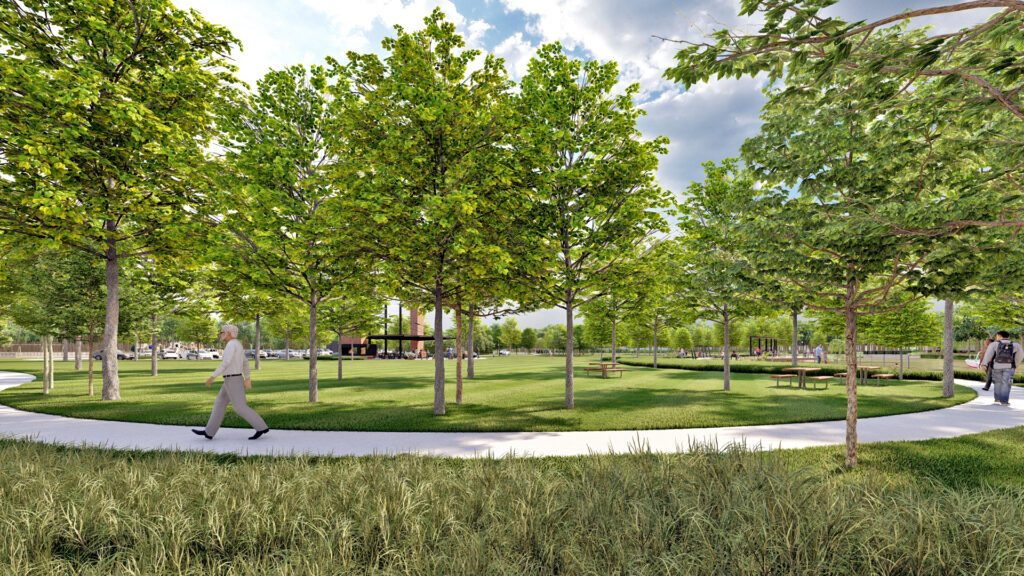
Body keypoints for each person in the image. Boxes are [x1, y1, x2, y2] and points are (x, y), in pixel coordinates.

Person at [192, 324, 270, 440]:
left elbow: (226, 363)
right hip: (230, 380)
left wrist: (212, 377)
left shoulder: (231, 345)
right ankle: (209, 432)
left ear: (228, 333)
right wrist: (247, 378)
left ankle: (261, 427)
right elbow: (245, 362)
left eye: (222, 332)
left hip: (232, 380)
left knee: (240, 407)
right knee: (219, 404)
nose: (220, 334)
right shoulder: (237, 344)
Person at [980, 330, 1023, 406]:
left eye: (997, 336)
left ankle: (997, 399)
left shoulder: (994, 344)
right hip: (1009, 367)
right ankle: (1004, 401)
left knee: (997, 382)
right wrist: (1016, 363)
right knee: (1006, 383)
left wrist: (984, 364)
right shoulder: (1016, 345)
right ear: (1008, 337)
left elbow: (988, 354)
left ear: (999, 336)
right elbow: (1021, 355)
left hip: (997, 366)